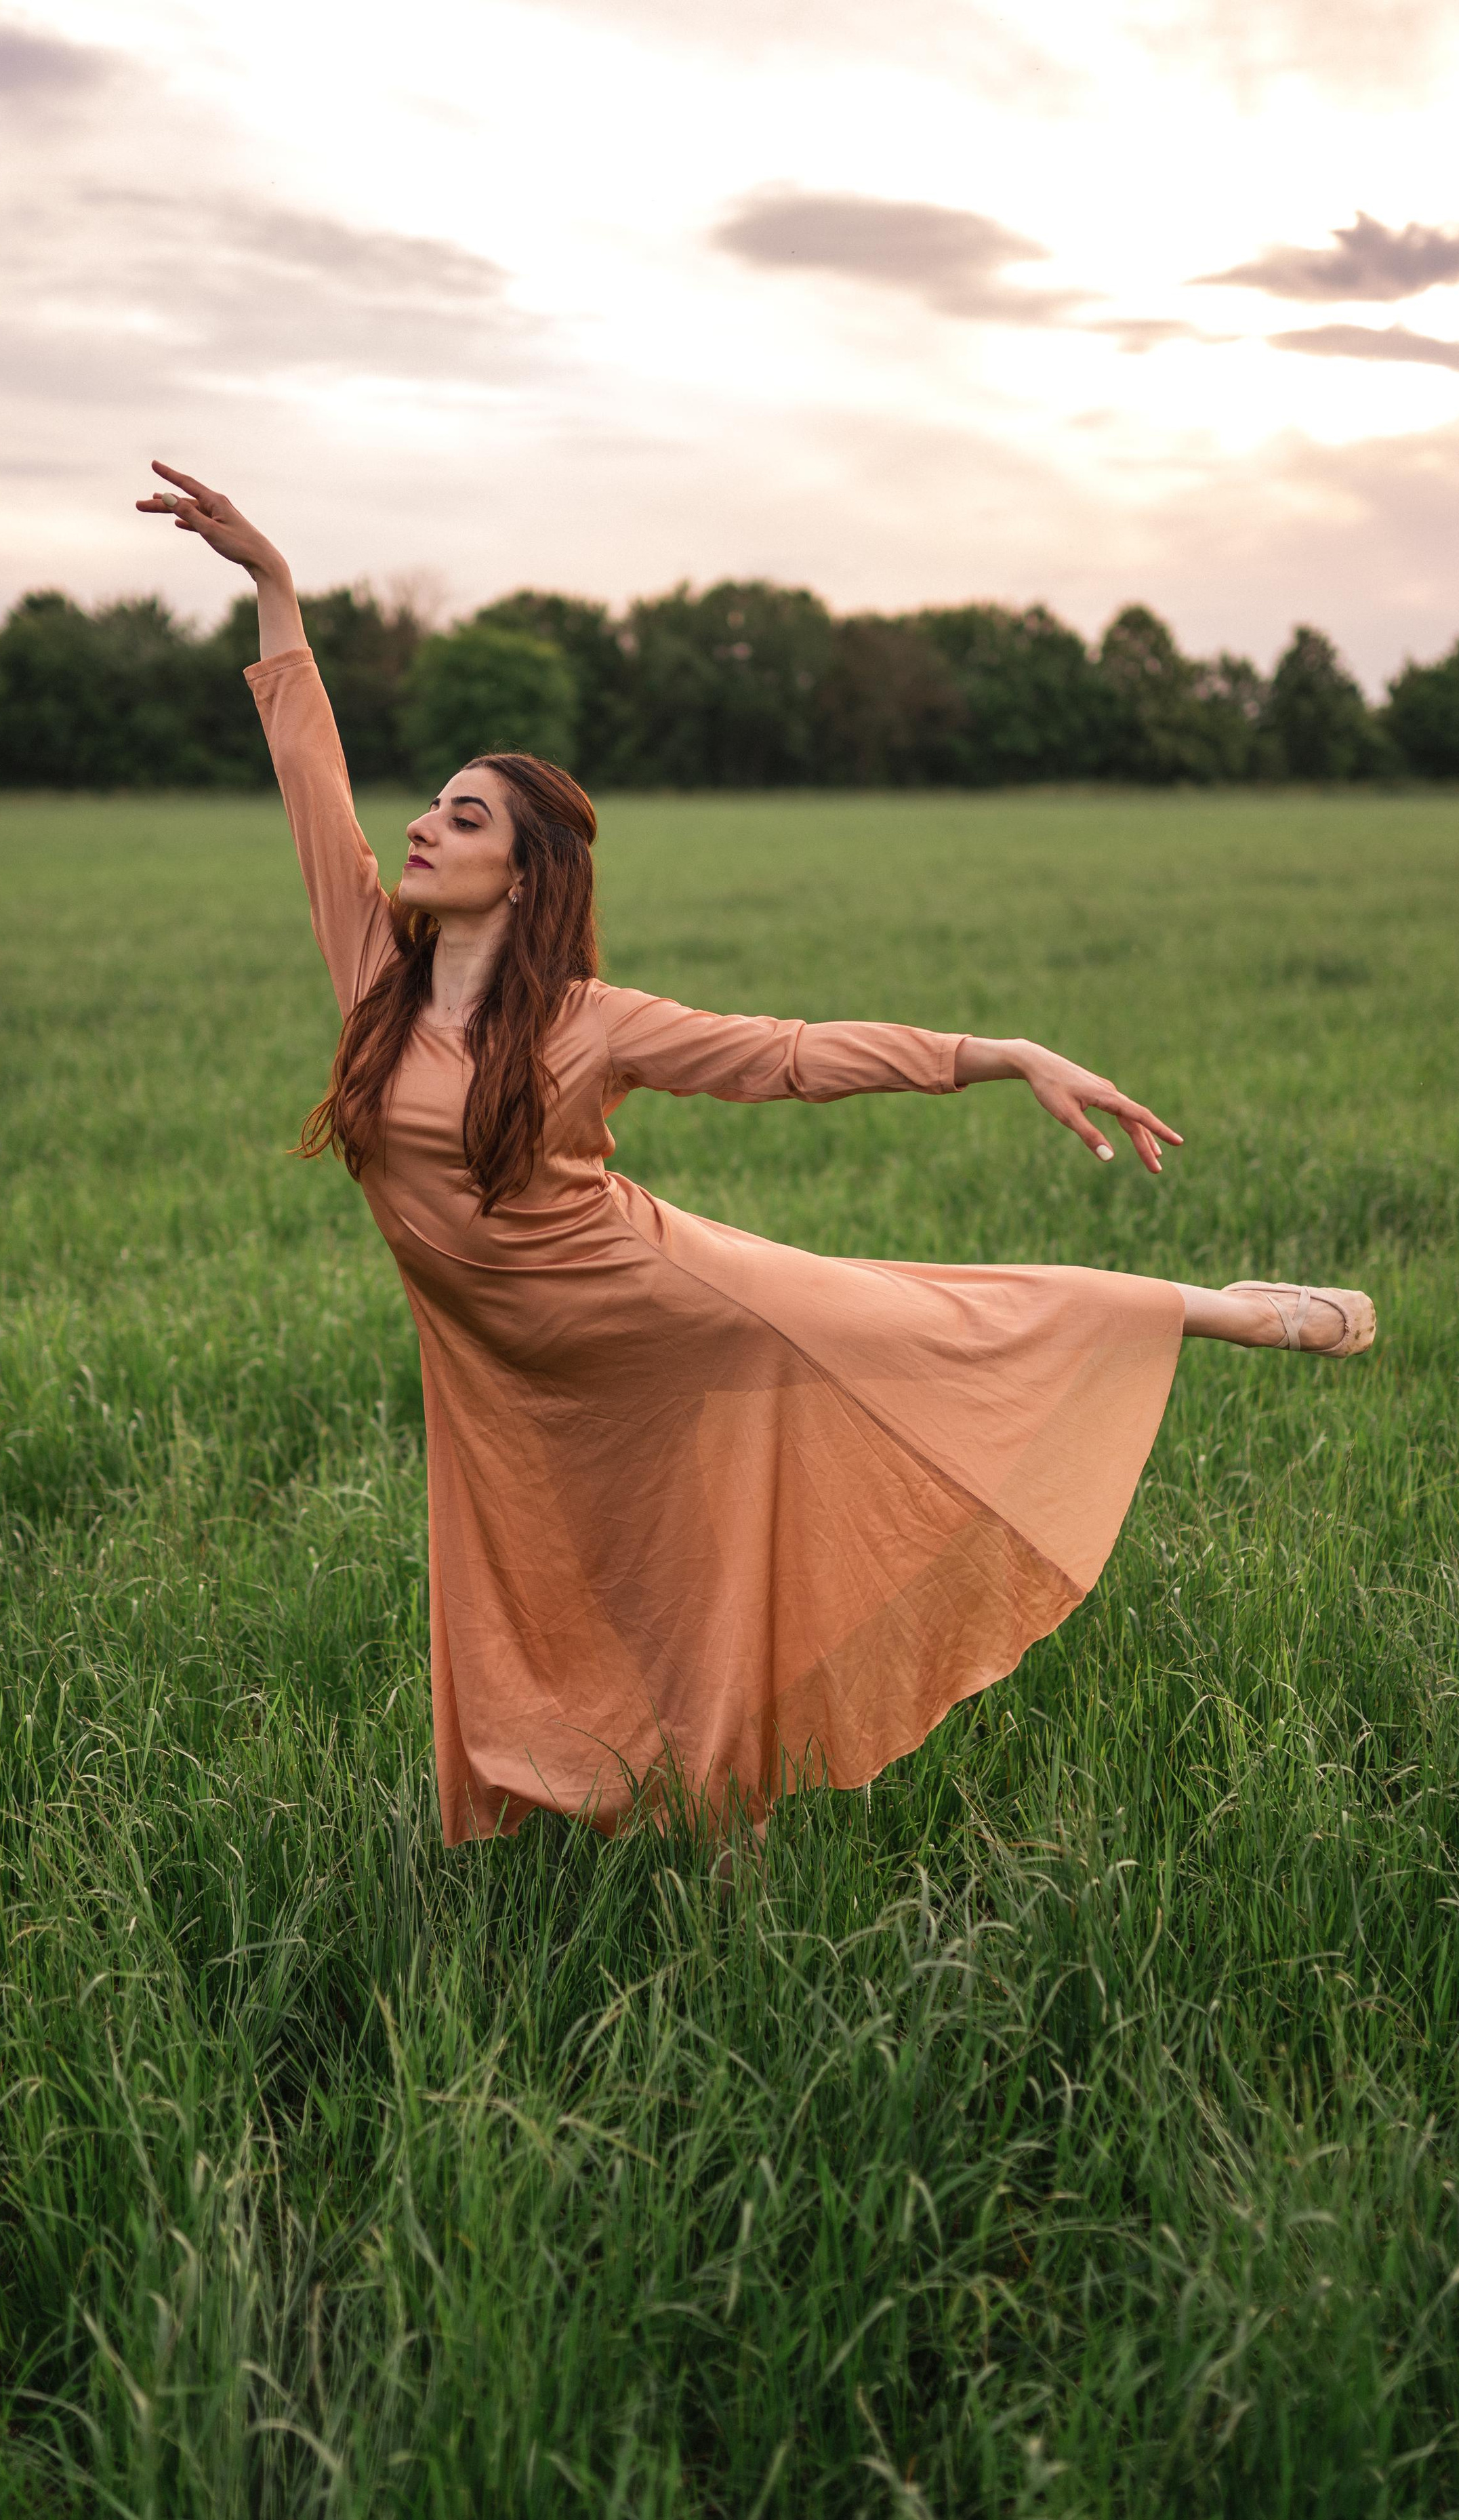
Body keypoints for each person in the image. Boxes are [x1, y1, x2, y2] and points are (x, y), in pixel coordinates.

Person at [138, 462, 1375, 1848]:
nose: (422, 825)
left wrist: (1001, 1051)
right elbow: (309, 771)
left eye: (463, 816)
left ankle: (1211, 1311)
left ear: (524, 875)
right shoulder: (374, 968)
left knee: (911, 1323)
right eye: (431, 807)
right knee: (590, 1568)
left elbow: (786, 1055)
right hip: (499, 1356)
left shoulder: (589, 1021)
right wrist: (275, 585)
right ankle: (671, 1805)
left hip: (650, 1296)